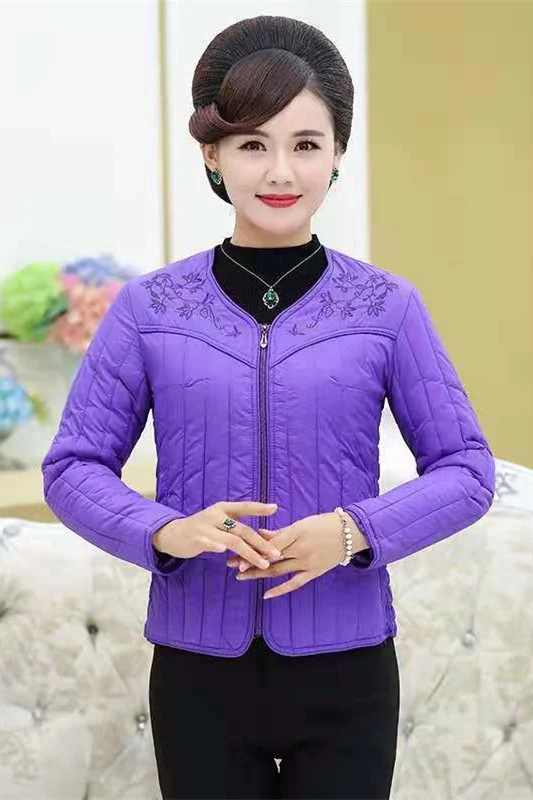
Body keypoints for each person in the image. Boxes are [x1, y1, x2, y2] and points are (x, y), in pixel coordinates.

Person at [41, 14, 496, 800]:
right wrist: (168, 531)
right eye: (253, 144)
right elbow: (72, 468)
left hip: (347, 670)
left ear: (337, 154)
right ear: (211, 155)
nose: (280, 170)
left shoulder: (386, 307)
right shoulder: (149, 309)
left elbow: (467, 470)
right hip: (197, 672)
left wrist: (351, 531)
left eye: (306, 144)